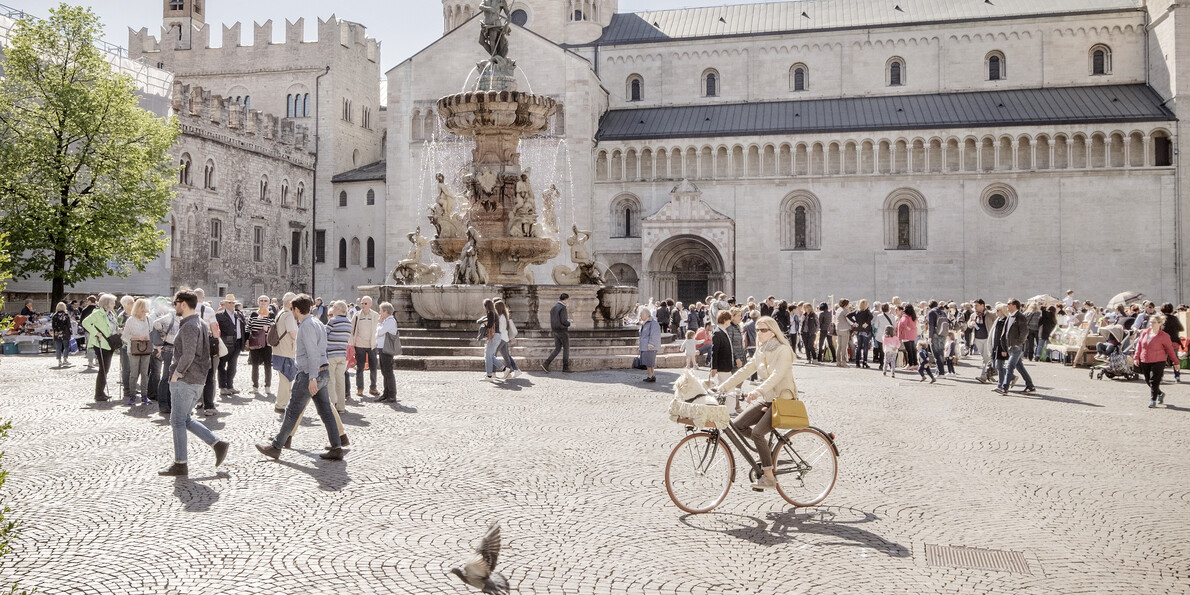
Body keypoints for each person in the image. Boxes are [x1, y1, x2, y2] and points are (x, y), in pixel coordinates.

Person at [256, 294, 346, 461]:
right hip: (322, 370)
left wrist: (312, 377)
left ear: (297, 309)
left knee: (292, 410)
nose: (293, 313)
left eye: (293, 310)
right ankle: (336, 447)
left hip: (309, 373)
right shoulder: (318, 323)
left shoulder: (306, 326)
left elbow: (312, 353)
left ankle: (276, 447)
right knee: (325, 411)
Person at [716, 316, 797, 491]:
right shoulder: (761, 350)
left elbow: (778, 375)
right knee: (738, 425)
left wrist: (757, 390)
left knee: (758, 433)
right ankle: (766, 450)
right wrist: (722, 387)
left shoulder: (783, 350)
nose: (758, 333)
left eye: (763, 330)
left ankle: (769, 477)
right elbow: (745, 370)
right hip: (767, 398)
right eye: (757, 330)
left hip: (782, 399)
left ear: (773, 331)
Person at [158, 288, 229, 477]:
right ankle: (217, 443)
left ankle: (180, 463)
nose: (174, 307)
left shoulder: (190, 325)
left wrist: (177, 374)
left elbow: (188, 354)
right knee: (185, 419)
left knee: (177, 421)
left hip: (186, 380)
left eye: (175, 304)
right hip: (195, 380)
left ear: (182, 303)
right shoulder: (199, 322)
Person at [82, 294, 119, 402]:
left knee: (105, 369)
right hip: (101, 344)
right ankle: (98, 394)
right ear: (106, 304)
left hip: (110, 343)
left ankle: (101, 392)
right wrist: (95, 332)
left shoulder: (112, 314)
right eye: (112, 302)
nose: (114, 304)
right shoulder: (98, 313)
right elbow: (85, 322)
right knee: (103, 369)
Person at [1136, 313, 1178, 408]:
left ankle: (1153, 399)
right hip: (1145, 359)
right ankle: (1160, 393)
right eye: (1150, 322)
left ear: (1160, 323)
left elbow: (1170, 350)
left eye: (1154, 322)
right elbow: (1139, 345)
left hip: (1159, 360)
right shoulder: (1144, 332)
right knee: (1148, 381)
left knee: (1154, 381)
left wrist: (1176, 362)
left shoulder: (1164, 336)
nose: (1151, 324)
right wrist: (1136, 357)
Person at [995, 299, 1036, 395]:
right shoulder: (1009, 316)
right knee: (1020, 367)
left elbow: (1025, 332)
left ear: (1014, 306)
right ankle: (1030, 386)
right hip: (1009, 346)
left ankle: (1005, 388)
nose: (1007, 306)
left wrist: (1018, 343)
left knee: (1010, 366)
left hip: (1016, 347)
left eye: (1008, 304)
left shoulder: (1020, 317)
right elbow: (1006, 331)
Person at [121, 298, 153, 405]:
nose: (148, 308)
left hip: (146, 349)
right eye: (146, 306)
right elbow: (124, 336)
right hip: (133, 349)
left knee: (145, 373)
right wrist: (135, 337)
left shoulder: (149, 319)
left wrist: (147, 337)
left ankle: (144, 395)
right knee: (134, 374)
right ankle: (132, 396)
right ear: (141, 308)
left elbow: (152, 332)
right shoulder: (131, 320)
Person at [272, 293, 300, 412]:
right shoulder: (288, 315)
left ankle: (284, 402)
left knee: (286, 378)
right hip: (286, 351)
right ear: (290, 303)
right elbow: (293, 334)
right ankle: (281, 404)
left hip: (280, 350)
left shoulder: (280, 313)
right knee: (285, 379)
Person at [215, 295, 246, 396]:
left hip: (237, 343)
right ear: (224, 304)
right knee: (222, 365)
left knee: (233, 366)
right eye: (229, 302)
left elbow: (243, 328)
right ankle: (223, 387)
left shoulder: (239, 315)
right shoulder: (219, 315)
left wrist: (245, 341)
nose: (231, 305)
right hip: (225, 343)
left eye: (233, 303)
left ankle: (230, 385)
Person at [350, 296, 380, 397]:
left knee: (373, 367)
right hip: (359, 344)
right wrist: (352, 344)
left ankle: (373, 387)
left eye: (365, 303)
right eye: (362, 303)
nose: (363, 305)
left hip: (372, 345)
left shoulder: (375, 315)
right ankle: (360, 388)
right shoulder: (357, 315)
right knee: (359, 368)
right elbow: (352, 329)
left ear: (370, 304)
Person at [325, 301, 353, 411]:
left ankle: (332, 404)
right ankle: (341, 406)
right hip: (342, 354)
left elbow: (324, 334)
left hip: (332, 353)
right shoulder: (348, 322)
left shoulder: (333, 321)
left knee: (331, 380)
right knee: (340, 381)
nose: (333, 310)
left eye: (334, 308)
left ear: (337, 309)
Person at [246, 296, 275, 394]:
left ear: (268, 302)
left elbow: (274, 328)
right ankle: (255, 387)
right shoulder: (253, 314)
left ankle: (267, 386)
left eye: (265, 301)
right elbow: (248, 327)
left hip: (266, 343)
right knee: (254, 365)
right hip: (255, 342)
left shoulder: (271, 314)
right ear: (258, 302)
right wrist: (247, 340)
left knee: (267, 365)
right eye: (261, 300)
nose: (263, 302)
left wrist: (268, 329)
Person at [375, 302, 399, 403]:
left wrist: (379, 323)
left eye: (381, 311)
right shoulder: (386, 321)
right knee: (384, 372)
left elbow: (379, 332)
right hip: (382, 348)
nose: (380, 313)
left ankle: (392, 394)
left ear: (386, 312)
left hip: (386, 349)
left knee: (388, 372)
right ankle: (386, 393)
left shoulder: (390, 321)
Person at [542, 293, 572, 373]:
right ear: (565, 299)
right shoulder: (563, 308)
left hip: (555, 331)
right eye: (567, 300)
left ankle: (546, 363)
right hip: (562, 331)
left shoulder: (554, 307)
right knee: (566, 348)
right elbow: (563, 321)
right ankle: (565, 368)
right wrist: (570, 323)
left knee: (557, 349)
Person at [494, 299, 521, 379]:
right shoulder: (504, 315)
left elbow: (501, 329)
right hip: (504, 338)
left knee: (493, 354)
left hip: (502, 338)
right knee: (506, 355)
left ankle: (494, 372)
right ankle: (510, 372)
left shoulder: (501, 317)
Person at [709, 310, 735, 395]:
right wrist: (714, 367)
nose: (730, 321)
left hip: (725, 365)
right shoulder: (718, 332)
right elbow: (714, 351)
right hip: (722, 366)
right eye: (729, 319)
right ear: (724, 320)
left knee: (727, 388)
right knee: (726, 389)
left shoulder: (722, 331)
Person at [1160, 303, 1183, 383]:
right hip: (1174, 342)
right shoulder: (1174, 318)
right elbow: (1181, 328)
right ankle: (1177, 376)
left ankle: (1160, 376)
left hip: (1162, 343)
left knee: (1162, 360)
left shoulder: (1160, 319)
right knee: (1175, 360)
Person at [637, 306, 661, 383]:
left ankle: (650, 376)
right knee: (649, 362)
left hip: (649, 346)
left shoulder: (653, 323)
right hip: (645, 346)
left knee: (649, 362)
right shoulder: (645, 323)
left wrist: (651, 343)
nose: (640, 316)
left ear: (647, 314)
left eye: (641, 314)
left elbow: (655, 334)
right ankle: (652, 375)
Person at [482, 298, 502, 382]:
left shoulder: (490, 313)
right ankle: (503, 368)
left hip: (493, 336)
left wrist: (484, 325)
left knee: (488, 356)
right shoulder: (495, 313)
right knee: (490, 356)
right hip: (497, 335)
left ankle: (489, 375)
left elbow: (490, 325)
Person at [926, 301, 949, 376]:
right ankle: (940, 371)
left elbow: (931, 326)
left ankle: (940, 372)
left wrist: (929, 337)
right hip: (943, 334)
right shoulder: (943, 312)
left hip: (935, 334)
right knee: (941, 352)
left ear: (930, 306)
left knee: (936, 353)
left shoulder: (931, 313)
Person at [50, 302, 73, 368]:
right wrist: (71, 332)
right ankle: (65, 358)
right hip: (65, 332)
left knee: (58, 347)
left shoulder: (54, 315)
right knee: (66, 346)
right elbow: (69, 325)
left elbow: (53, 325)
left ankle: (59, 360)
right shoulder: (66, 315)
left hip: (57, 333)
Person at [79, 295, 98, 370]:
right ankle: (98, 359)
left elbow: (82, 321)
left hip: (88, 330)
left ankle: (90, 362)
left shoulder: (85, 310)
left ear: (89, 301)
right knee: (98, 345)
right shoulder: (98, 309)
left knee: (90, 346)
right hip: (97, 330)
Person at [853, 299, 873, 368]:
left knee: (859, 347)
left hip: (859, 331)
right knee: (865, 347)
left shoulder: (857, 312)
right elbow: (871, 316)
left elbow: (848, 315)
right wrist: (867, 323)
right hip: (866, 331)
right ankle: (865, 362)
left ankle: (857, 362)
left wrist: (854, 323)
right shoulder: (867, 312)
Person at [834, 299, 853, 368]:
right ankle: (843, 362)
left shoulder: (838, 310)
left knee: (839, 346)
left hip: (838, 329)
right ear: (846, 304)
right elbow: (849, 319)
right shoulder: (845, 310)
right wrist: (854, 324)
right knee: (844, 346)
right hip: (844, 329)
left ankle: (838, 361)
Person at [899, 304, 918, 368]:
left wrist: (906, 327)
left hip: (906, 334)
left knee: (908, 350)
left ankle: (910, 364)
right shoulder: (913, 316)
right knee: (913, 350)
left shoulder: (905, 316)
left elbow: (903, 322)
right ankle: (915, 363)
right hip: (913, 334)